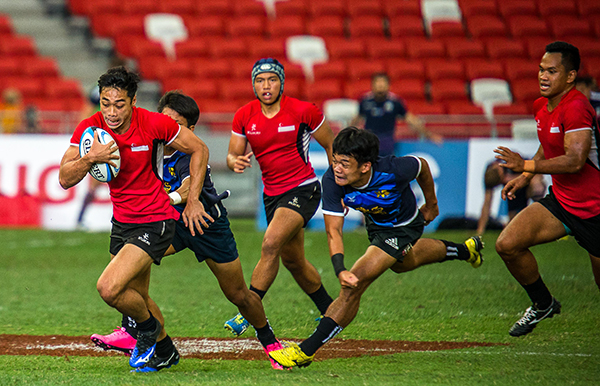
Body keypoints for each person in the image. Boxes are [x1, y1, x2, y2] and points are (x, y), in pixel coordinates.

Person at [90, 90, 285, 370]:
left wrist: (173, 199)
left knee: (238, 294)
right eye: (165, 119)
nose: (169, 127)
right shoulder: (147, 144)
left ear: (190, 129)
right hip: (170, 224)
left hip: (206, 224)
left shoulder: (188, 153)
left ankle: (271, 343)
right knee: (128, 267)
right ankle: (149, 339)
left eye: (177, 123)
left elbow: (185, 186)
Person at [268, 127, 484, 368]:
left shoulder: (393, 169)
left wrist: (432, 204)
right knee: (405, 263)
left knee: (355, 283)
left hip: (404, 226)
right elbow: (334, 231)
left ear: (365, 166)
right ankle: (466, 250)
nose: (337, 168)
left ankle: (305, 351)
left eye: (345, 163)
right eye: (335, 160)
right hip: (377, 225)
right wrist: (339, 268)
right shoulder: (332, 180)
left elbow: (422, 165)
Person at [59, 67, 211, 372]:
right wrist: (90, 158)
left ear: (134, 101)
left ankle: (146, 332)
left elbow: (200, 149)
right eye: (105, 103)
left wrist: (193, 199)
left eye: (120, 104)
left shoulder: (155, 123)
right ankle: (165, 350)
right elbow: (64, 178)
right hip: (123, 222)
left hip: (156, 219)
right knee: (137, 296)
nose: (111, 112)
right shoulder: (90, 129)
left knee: (109, 288)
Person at [494, 41, 600, 337]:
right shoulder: (542, 106)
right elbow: (550, 145)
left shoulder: (577, 106)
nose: (543, 76)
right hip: (563, 203)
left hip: (595, 208)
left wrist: (526, 166)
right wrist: (526, 177)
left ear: (570, 77)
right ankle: (543, 303)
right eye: (541, 70)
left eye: (551, 71)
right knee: (507, 244)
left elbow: (576, 160)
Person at [224, 58, 336, 335]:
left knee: (270, 243)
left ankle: (249, 310)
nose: (266, 86)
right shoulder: (244, 115)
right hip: (272, 195)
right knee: (294, 261)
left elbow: (333, 147)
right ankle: (331, 311)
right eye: (260, 81)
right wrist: (233, 162)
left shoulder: (303, 110)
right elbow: (232, 154)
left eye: (272, 79)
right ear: (253, 84)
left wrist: (341, 187)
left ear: (281, 82)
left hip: (304, 188)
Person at [351, 73, 443, 157]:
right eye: (377, 82)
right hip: (369, 143)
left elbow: (411, 120)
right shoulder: (365, 101)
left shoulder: (395, 102)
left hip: (387, 142)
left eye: (383, 82)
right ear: (372, 85)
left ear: (388, 85)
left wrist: (429, 134)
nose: (380, 85)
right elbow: (356, 120)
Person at [476, 160, 546, 235]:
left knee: (537, 188)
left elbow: (537, 173)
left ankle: (543, 220)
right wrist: (480, 230)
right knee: (513, 225)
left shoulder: (513, 163)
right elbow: (487, 203)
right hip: (513, 190)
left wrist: (514, 178)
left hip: (527, 182)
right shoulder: (490, 172)